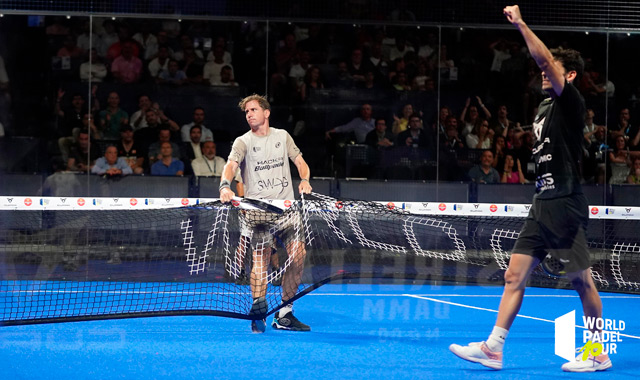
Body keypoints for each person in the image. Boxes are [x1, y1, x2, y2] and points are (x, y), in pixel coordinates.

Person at [450, 5, 612, 373]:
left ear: (568, 74)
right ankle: (493, 348)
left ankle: (597, 352)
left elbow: (543, 59)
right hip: (542, 203)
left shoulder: (569, 101)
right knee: (513, 275)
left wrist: (521, 24)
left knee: (582, 282)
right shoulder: (542, 107)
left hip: (565, 204)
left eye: (551, 68)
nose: (543, 71)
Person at [219, 94, 312, 333]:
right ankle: (258, 309)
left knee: (298, 256)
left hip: (287, 211)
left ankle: (284, 314)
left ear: (266, 113)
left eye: (253, 110)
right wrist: (224, 186)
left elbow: (300, 162)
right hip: (259, 213)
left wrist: (304, 180)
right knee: (260, 262)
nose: (249, 114)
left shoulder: (282, 136)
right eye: (246, 112)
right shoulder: (243, 141)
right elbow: (230, 165)